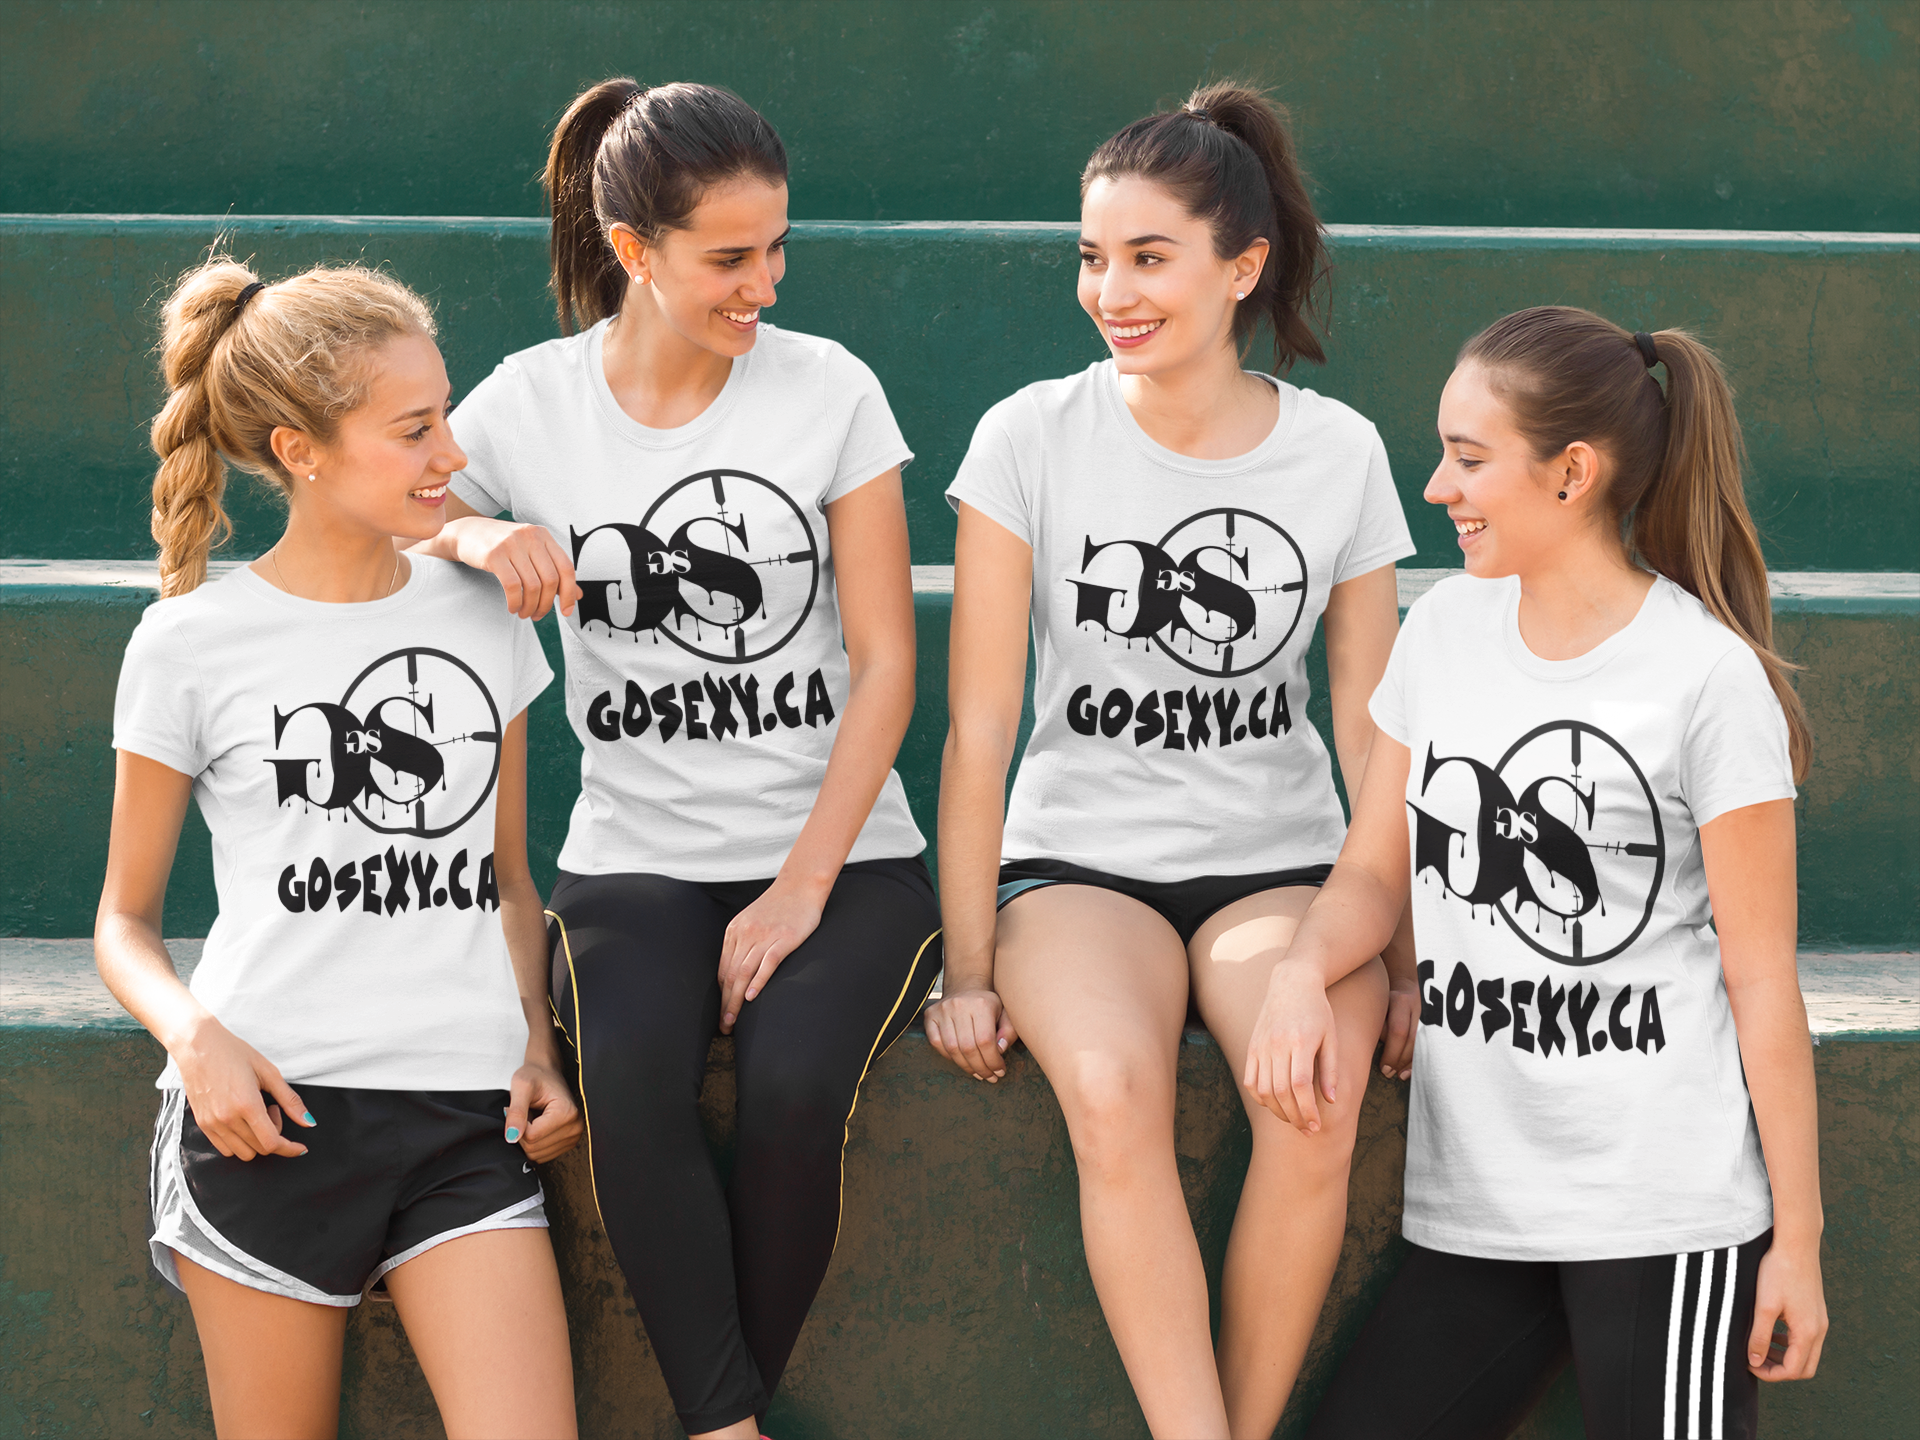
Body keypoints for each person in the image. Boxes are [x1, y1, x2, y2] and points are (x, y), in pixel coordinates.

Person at [406, 79, 940, 1440]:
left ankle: (719, 1417)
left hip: (846, 853)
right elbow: (400, 516)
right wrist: (477, 537)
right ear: (636, 250)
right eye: (727, 258)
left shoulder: (830, 391)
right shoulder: (532, 404)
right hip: (633, 858)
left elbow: (886, 661)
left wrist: (804, 887)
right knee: (633, 1086)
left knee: (794, 1087)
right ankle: (728, 1425)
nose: (762, 282)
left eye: (775, 249)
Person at [925, 80, 1419, 1439]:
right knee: (1111, 1085)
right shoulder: (1030, 436)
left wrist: (1403, 959)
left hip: (1283, 872)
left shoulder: (1339, 454)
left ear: (1240, 267)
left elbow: (1382, 731)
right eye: (1094, 256)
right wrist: (968, 968)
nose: (1110, 289)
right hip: (1082, 868)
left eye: (1148, 257)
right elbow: (978, 731)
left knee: (1312, 1100)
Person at [1242, 306, 1829, 1440]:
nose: (1435, 487)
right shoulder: (1446, 633)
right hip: (1481, 1212)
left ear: (1572, 474)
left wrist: (1793, 1243)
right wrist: (1299, 973)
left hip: (1665, 1216)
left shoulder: (1705, 678)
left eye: (1468, 460)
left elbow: (1764, 985)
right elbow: (1375, 871)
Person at [94, 256, 581, 1439]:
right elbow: (123, 922)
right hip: (268, 1117)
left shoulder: (481, 617)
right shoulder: (188, 643)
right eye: (413, 430)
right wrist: (196, 1040)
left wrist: (535, 1043)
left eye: (446, 417)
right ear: (299, 449)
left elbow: (509, 879)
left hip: (466, 1122)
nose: (450, 455)